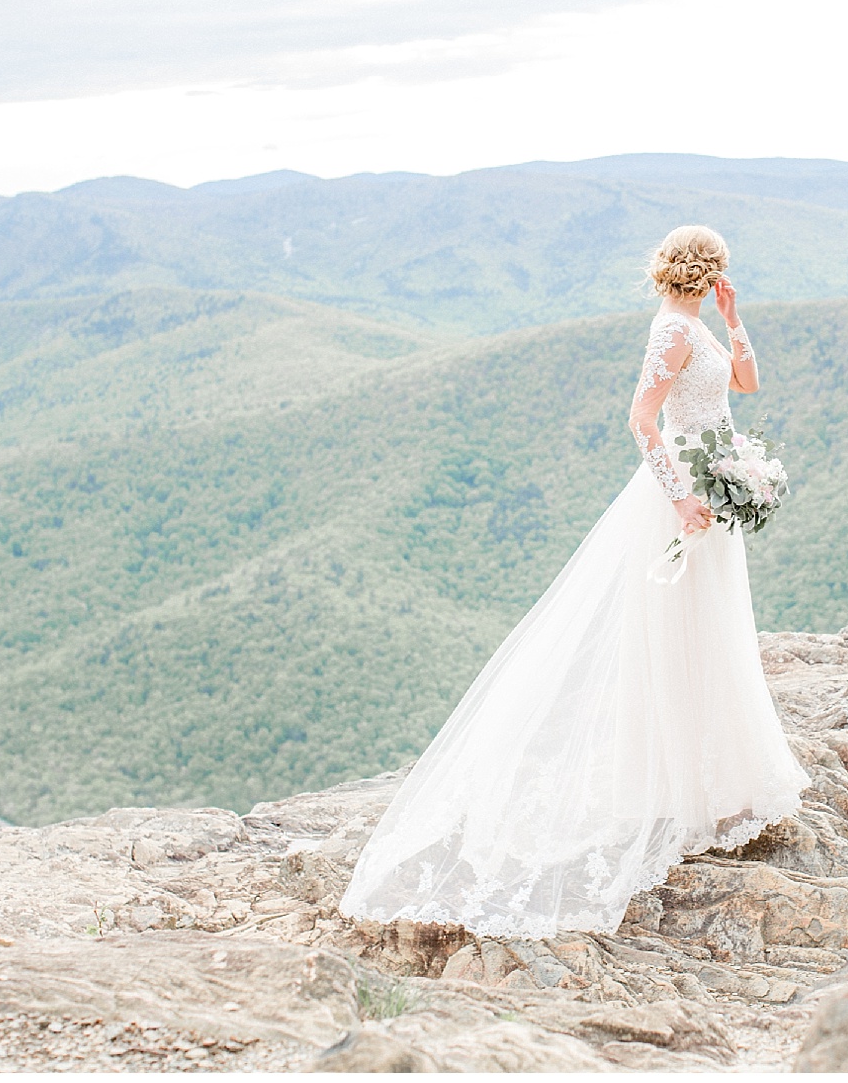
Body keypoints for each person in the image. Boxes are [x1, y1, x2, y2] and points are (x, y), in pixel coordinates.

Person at [339, 224, 810, 938]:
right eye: (716, 276)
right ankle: (681, 792)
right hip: (683, 493)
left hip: (713, 484)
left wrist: (736, 318)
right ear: (704, 273)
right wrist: (683, 495)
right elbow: (642, 420)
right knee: (678, 637)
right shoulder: (672, 335)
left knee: (710, 634)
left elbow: (744, 385)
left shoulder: (701, 328)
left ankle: (709, 784)